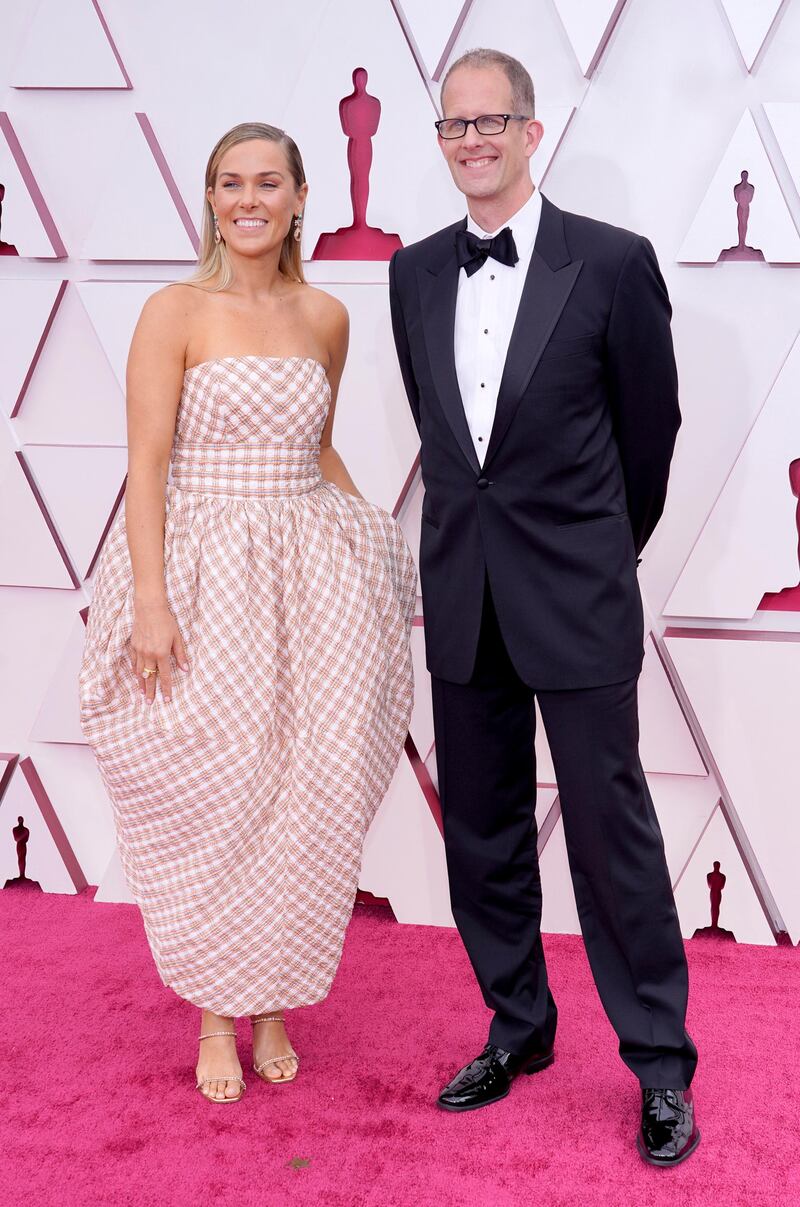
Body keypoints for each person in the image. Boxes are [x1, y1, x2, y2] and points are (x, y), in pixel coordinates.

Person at [389, 49, 699, 1166]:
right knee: (480, 835)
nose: (471, 140)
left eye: (491, 121)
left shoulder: (612, 265)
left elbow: (648, 440)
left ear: (530, 129)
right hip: (460, 595)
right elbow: (444, 443)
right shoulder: (411, 272)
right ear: (440, 139)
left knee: (610, 835)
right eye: (452, 124)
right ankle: (517, 1029)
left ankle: (658, 1063)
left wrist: (597, 556)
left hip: (573, 594)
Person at [80, 122, 416, 1104]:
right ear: (212, 198)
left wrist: (372, 549)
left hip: (303, 575)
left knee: (300, 785)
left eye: (266, 182)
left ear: (301, 195)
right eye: (229, 183)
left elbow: (314, 450)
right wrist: (149, 598)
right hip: (202, 569)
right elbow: (145, 465)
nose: (247, 200)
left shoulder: (323, 315)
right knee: (223, 786)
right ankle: (216, 1013)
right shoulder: (174, 309)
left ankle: (272, 1002)